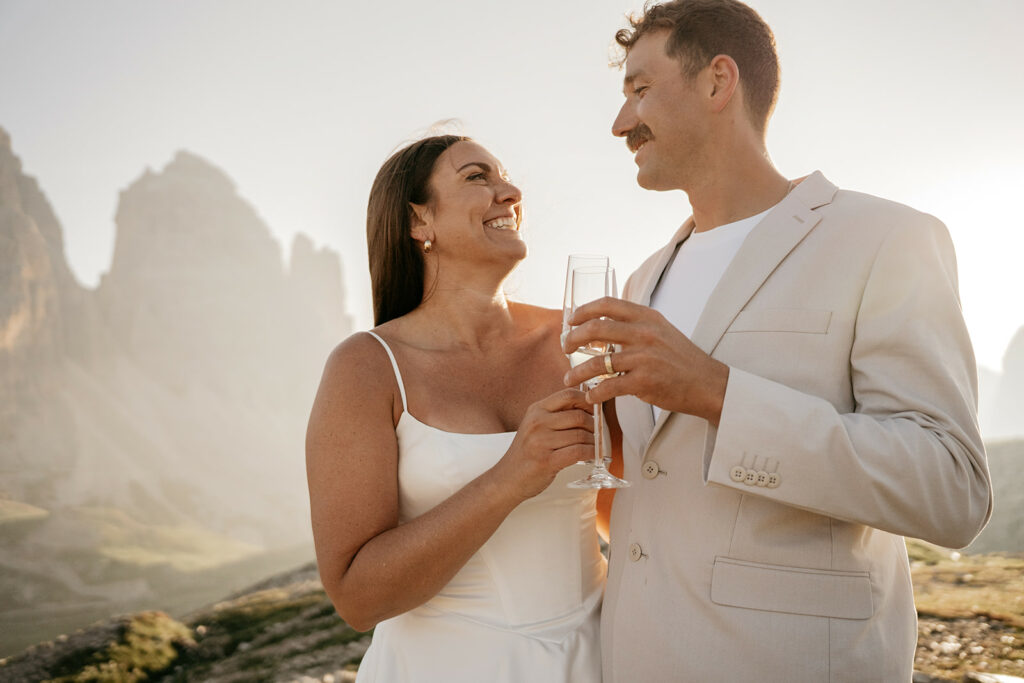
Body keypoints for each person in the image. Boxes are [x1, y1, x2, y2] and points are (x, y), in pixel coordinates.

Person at [563, 1, 993, 680]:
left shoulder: (886, 239)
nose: (620, 123)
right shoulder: (642, 279)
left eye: (640, 90)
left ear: (717, 82)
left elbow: (951, 488)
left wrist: (719, 394)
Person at [306, 135, 606, 682]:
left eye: (506, 177)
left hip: (596, 661)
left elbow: (632, 510)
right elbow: (356, 598)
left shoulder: (577, 337)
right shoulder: (367, 367)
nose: (510, 192)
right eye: (477, 177)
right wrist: (511, 477)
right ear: (420, 222)